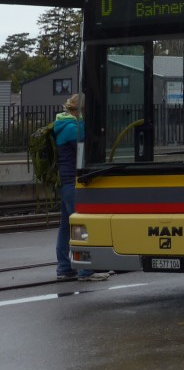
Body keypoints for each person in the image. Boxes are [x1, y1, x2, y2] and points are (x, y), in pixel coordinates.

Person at [54, 94, 109, 282]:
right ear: (81, 110)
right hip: (73, 183)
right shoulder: (72, 128)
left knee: (65, 227)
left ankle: (64, 268)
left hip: (66, 183)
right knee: (82, 227)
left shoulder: (63, 124)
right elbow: (88, 147)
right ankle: (86, 271)